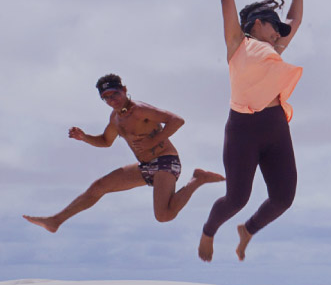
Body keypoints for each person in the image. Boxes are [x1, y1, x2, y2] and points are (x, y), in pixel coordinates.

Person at [198, 0, 305, 261]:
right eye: (275, 28)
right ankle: (208, 231)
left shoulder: (275, 51)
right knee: (236, 198)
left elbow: (295, 20)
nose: (279, 34)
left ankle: (248, 230)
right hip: (243, 129)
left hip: (274, 126)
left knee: (284, 198)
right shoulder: (237, 44)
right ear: (257, 23)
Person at [24, 75, 224, 232]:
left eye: (114, 94)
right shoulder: (115, 118)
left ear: (124, 90)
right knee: (99, 186)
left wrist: (153, 140)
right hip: (146, 167)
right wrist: (84, 137)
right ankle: (55, 221)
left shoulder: (139, 110)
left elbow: (177, 120)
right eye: (106, 98)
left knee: (163, 216)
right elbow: (105, 141)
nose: (112, 100)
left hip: (166, 162)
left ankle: (197, 179)